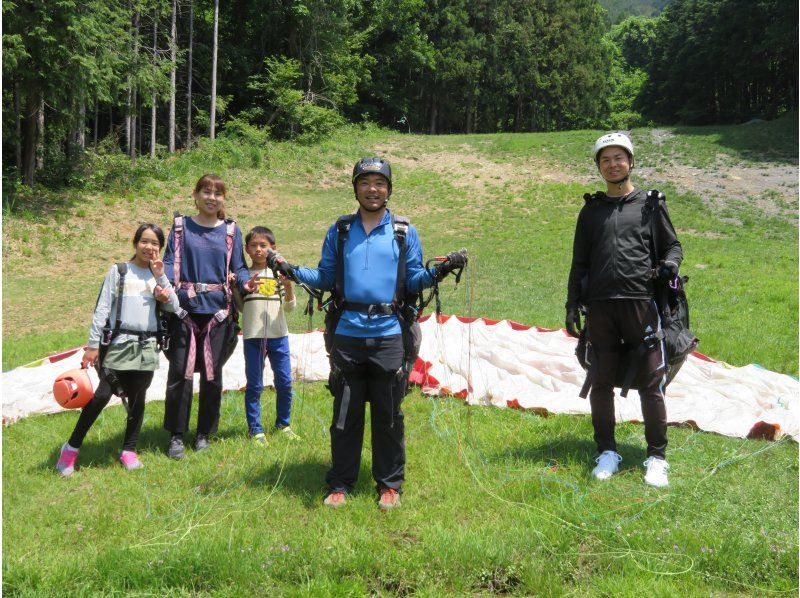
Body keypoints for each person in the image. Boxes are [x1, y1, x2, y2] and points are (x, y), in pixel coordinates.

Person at [267, 157, 466, 509]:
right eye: (365, 182)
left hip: (390, 333)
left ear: (389, 189)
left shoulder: (404, 231)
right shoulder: (341, 230)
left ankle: (389, 484)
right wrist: (290, 269)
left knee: (389, 414)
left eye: (380, 183)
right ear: (355, 187)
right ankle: (340, 482)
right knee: (345, 412)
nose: (373, 189)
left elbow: (415, 279)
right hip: (347, 333)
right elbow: (326, 278)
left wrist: (441, 270)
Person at [565, 133, 683, 488]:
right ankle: (606, 451)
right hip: (600, 307)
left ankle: (657, 458)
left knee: (651, 381)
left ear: (630, 162)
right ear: (599, 166)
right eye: (606, 159)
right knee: (601, 381)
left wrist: (670, 266)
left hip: (641, 305)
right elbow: (579, 262)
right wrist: (572, 304)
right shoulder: (591, 211)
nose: (613, 164)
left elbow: (673, 246)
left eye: (619, 158)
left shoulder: (650, 204)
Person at [56, 223, 180, 476]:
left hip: (146, 346)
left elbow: (174, 307)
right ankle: (70, 448)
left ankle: (128, 450)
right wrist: (93, 345)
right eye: (144, 241)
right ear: (135, 243)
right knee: (101, 396)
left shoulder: (158, 275)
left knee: (138, 400)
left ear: (160, 248)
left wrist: (161, 277)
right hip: (119, 344)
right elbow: (102, 308)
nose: (149, 247)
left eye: (155, 243)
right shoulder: (120, 271)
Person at [161, 174, 260, 459]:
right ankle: (176, 435)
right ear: (195, 194)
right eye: (206, 191)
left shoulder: (230, 231)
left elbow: (239, 266)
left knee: (212, 375)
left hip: (218, 313)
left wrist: (245, 283)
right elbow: (170, 262)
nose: (211, 198)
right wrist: (162, 282)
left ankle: (204, 433)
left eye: (218, 193)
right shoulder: (181, 227)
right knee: (180, 373)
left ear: (224, 200)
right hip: (184, 311)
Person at [234, 226, 298, 445]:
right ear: (247, 250)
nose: (258, 250)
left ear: (273, 249)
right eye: (253, 246)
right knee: (255, 384)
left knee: (285, 382)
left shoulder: (279, 275)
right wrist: (236, 288)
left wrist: (288, 287)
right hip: (253, 337)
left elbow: (289, 308)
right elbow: (241, 308)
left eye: (263, 245)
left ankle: (283, 424)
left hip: (279, 336)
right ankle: (255, 429)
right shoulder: (244, 277)